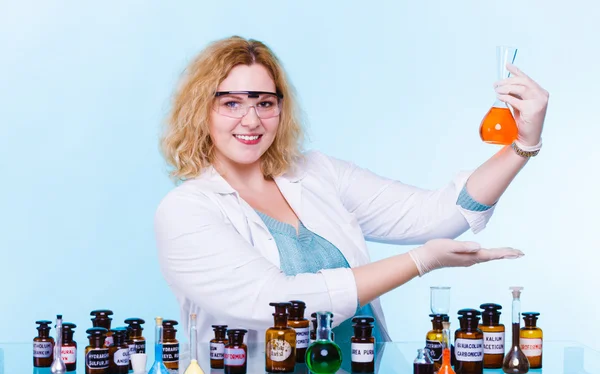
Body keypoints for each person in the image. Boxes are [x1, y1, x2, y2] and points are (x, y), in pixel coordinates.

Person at [154, 36, 549, 345]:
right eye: (232, 103)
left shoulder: (316, 173)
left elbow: (437, 214)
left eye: (264, 102)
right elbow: (275, 303)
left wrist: (523, 146)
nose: (251, 119)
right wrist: (419, 262)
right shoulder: (186, 211)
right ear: (200, 110)